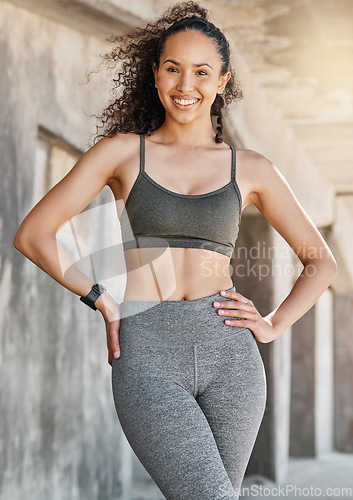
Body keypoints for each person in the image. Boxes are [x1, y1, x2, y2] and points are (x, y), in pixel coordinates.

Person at [13, 1, 337, 499]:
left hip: (231, 356)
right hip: (147, 353)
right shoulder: (122, 153)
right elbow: (34, 233)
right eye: (173, 69)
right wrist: (100, 297)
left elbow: (321, 262)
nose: (186, 86)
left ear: (223, 81)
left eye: (202, 72)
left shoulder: (250, 168)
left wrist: (271, 325)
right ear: (156, 74)